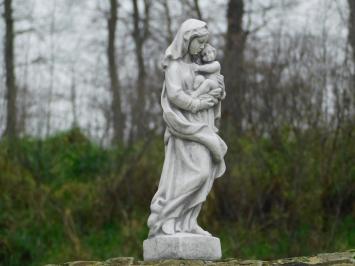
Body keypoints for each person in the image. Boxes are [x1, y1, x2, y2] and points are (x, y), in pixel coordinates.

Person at [147, 19, 227, 238]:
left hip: (204, 123)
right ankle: (167, 218)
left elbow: (215, 84)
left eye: (204, 43)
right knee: (196, 174)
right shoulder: (174, 65)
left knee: (205, 174)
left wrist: (217, 93)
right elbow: (174, 95)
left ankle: (188, 221)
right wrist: (197, 103)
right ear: (186, 40)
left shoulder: (198, 64)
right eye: (198, 42)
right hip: (184, 127)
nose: (202, 47)